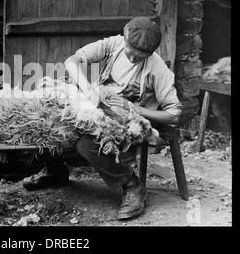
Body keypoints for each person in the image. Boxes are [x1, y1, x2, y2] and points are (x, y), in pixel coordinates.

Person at [22, 16, 183, 220]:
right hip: (98, 107)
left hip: (126, 121)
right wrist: (89, 90)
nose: (133, 59)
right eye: (130, 53)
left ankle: (132, 186)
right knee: (44, 118)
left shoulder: (158, 70)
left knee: (87, 144)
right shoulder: (114, 44)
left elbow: (174, 115)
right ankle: (55, 171)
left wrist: (133, 107)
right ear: (124, 40)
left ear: (150, 54)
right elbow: (72, 61)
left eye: (140, 57)